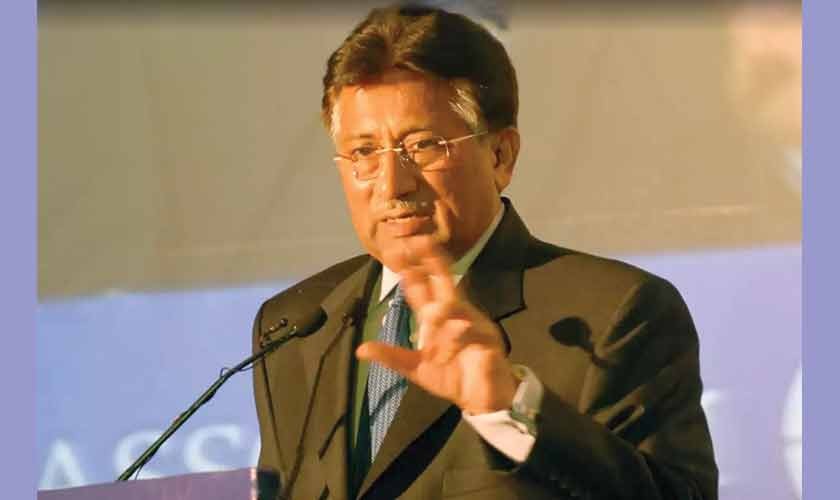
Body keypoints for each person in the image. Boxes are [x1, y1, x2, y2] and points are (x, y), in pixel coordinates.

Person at [252, 5, 717, 499]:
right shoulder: (294, 328)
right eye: (364, 153)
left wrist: (508, 408)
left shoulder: (616, 315)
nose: (392, 184)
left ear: (500, 155)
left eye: (423, 146)